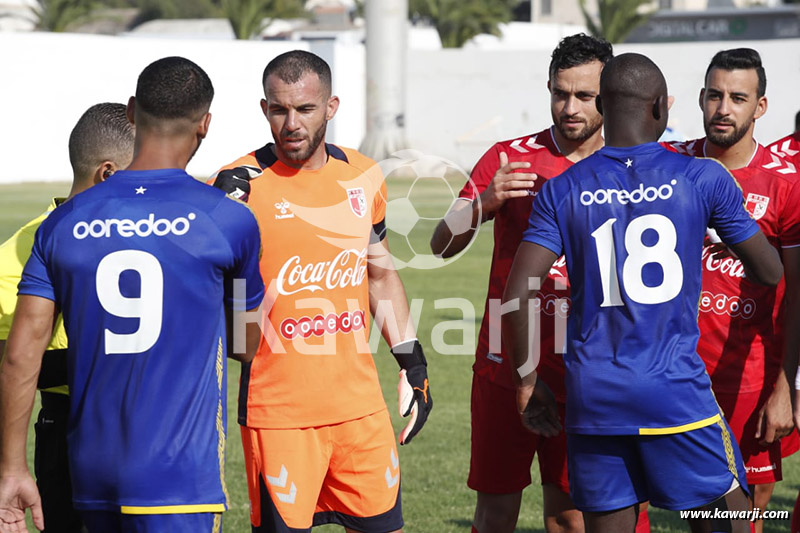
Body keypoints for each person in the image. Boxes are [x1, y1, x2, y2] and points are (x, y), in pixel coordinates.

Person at [502, 52, 783, 533]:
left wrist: (527, 381)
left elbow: (518, 289)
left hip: (593, 395)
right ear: (660, 107)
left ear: (603, 107)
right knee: (734, 521)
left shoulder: (563, 189)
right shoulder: (702, 177)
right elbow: (769, 271)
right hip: (674, 391)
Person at [0, 56, 264, 532]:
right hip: (178, 479)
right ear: (205, 124)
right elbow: (247, 347)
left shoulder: (63, 223)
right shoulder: (229, 221)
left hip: (90, 474)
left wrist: (13, 469)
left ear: (131, 111)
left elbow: (20, 358)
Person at [430, 34, 648, 533]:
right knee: (496, 512)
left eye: (585, 96)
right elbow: (441, 244)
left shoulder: (631, 166)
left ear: (609, 96)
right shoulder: (510, 157)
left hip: (587, 369)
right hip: (508, 365)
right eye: (560, 93)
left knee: (570, 515)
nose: (569, 108)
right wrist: (484, 203)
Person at [209, 50, 432, 533]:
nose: (291, 123)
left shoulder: (363, 175)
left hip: (360, 411)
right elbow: (214, 307)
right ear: (264, 108)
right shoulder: (235, 189)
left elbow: (380, 275)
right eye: (278, 109)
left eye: (305, 109)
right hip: (278, 417)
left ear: (330, 107)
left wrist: (414, 365)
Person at [664, 49, 800, 532]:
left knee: (746, 515)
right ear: (701, 99)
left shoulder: (785, 183)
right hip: (671, 374)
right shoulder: (668, 164)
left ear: (760, 107)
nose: (724, 108)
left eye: (738, 98)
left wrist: (787, 388)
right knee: (696, 517)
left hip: (749, 380)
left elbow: (796, 294)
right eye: (715, 95)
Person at [0, 102, 134, 533]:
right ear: (109, 173)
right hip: (69, 428)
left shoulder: (150, 235)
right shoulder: (22, 250)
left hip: (147, 426)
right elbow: (10, 361)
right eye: (142, 172)